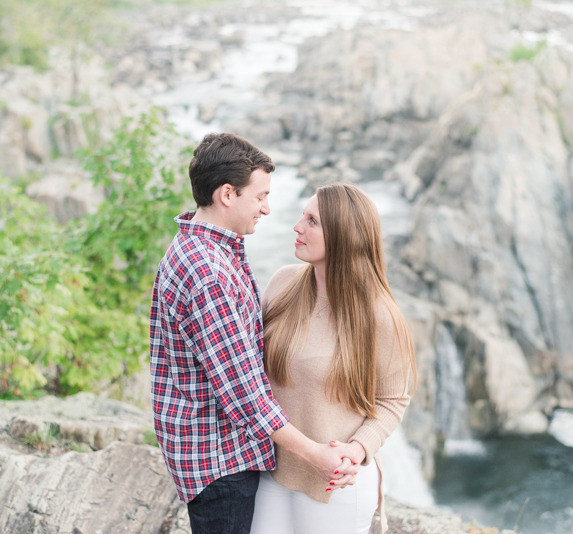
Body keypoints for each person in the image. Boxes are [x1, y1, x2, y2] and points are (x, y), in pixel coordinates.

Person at [149, 133, 360, 534]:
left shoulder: (202, 247)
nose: (267, 208)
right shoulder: (208, 273)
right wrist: (315, 455)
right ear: (227, 194)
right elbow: (244, 393)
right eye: (260, 196)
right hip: (220, 461)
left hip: (213, 455)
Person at [250, 183, 416, 534]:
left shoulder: (379, 315)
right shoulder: (282, 285)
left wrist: (356, 450)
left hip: (335, 483)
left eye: (312, 221)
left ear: (343, 236)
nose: (297, 226)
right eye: (302, 217)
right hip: (272, 470)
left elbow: (393, 400)